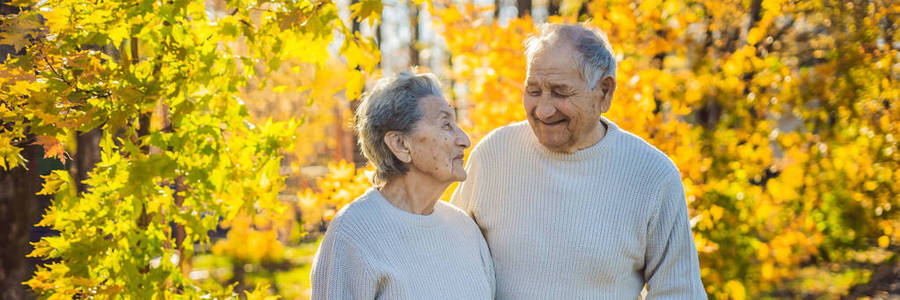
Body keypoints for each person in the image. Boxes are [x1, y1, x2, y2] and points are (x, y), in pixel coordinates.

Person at [451, 23, 707, 299]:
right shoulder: (493, 156)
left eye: (561, 92)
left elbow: (680, 292)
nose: (544, 109)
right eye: (534, 91)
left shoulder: (653, 176)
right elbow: (447, 256)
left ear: (605, 92)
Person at [310, 71, 495, 299]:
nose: (464, 140)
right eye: (446, 124)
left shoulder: (465, 230)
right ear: (400, 145)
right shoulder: (352, 234)